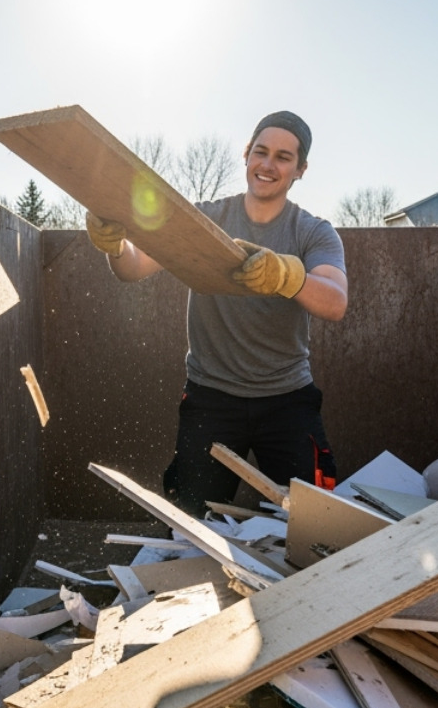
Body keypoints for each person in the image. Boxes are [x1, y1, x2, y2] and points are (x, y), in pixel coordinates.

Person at [86, 111, 347, 515]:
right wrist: (115, 246)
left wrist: (284, 274)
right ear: (246, 154)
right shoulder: (204, 221)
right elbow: (133, 268)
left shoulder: (312, 232)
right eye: (260, 152)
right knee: (191, 519)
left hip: (286, 398)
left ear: (300, 170)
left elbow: (335, 301)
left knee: (309, 521)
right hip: (211, 397)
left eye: (282, 157)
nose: (267, 164)